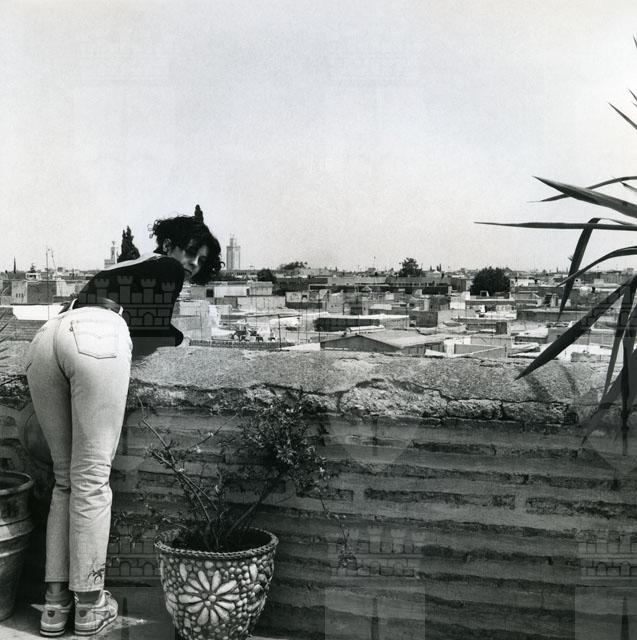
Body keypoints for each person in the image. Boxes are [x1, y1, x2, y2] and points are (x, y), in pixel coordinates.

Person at [25, 205, 222, 637]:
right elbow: (152, 332)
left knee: (65, 480)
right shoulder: (166, 267)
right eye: (191, 251)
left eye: (201, 260)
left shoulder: (125, 265)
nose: (192, 264)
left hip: (47, 338)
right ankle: (90, 606)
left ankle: (54, 607)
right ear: (168, 244)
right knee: (92, 480)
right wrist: (179, 338)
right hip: (97, 334)